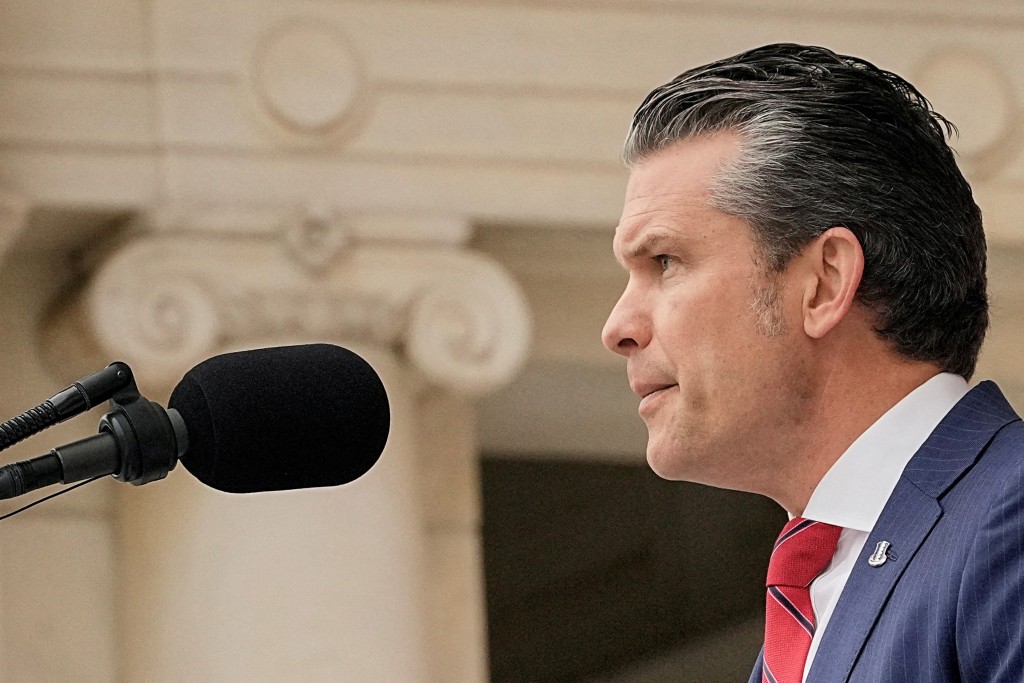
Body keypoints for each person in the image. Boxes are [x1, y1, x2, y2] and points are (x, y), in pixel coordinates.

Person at [601, 43, 1024, 682]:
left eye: (664, 262)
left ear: (825, 282)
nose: (618, 328)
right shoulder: (813, 605)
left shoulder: (1008, 516)